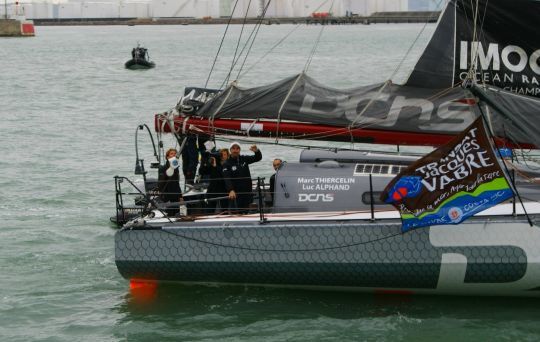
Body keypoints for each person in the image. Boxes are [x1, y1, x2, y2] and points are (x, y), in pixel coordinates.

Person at [222, 142, 262, 214]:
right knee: (236, 213)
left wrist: (256, 151)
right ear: (230, 150)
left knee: (247, 212)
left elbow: (258, 158)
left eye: (237, 148)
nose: (235, 150)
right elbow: (226, 178)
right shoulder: (226, 163)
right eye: (233, 148)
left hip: (247, 191)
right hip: (236, 193)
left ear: (239, 150)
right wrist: (231, 190)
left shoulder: (244, 159)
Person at [199, 148, 230, 213]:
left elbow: (222, 174)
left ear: (228, 156)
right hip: (212, 190)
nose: (222, 156)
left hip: (224, 190)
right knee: (209, 211)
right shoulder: (214, 163)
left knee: (225, 211)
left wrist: (215, 166)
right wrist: (204, 161)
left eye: (224, 155)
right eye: (221, 155)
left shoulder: (229, 165)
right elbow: (202, 172)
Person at [158, 148, 183, 216]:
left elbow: (177, 183)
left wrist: (180, 196)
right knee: (170, 213)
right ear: (167, 156)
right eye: (172, 154)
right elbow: (160, 184)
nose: (174, 155)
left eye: (175, 154)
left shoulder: (176, 169)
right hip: (167, 195)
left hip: (176, 194)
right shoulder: (163, 168)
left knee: (177, 212)